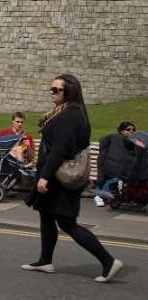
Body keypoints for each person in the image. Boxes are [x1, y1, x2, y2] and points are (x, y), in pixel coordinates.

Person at [23, 74, 123, 283]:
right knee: (47, 217)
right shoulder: (66, 112)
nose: (52, 93)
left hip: (59, 177)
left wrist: (45, 177)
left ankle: (108, 261)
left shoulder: (70, 115)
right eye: (51, 89)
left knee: (68, 223)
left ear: (69, 92)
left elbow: (60, 149)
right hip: (55, 174)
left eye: (56, 90)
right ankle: (45, 261)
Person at [95, 122, 139, 206]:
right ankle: (99, 196)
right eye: (128, 130)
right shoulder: (115, 138)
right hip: (112, 167)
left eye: (133, 130)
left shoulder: (134, 143)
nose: (131, 131)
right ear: (122, 131)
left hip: (125, 169)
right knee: (111, 176)